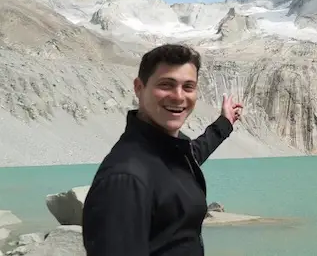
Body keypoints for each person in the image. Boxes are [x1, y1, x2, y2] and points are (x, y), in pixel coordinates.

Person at [81, 43, 243, 256]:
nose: (178, 96)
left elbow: (191, 155)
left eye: (188, 87)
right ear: (139, 88)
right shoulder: (125, 179)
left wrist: (225, 123)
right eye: (166, 85)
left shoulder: (165, 150)